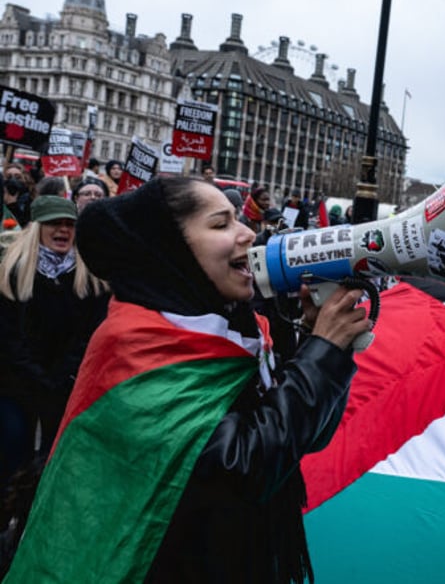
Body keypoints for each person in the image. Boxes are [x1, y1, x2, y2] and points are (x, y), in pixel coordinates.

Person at [3, 177, 370, 582]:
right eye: (221, 224)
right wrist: (322, 353)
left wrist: (317, 345)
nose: (248, 233)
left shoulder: (235, 330)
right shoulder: (135, 346)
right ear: (170, 249)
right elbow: (243, 467)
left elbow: (303, 437)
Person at [0, 196, 109, 478]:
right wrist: (37, 379)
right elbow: (8, 337)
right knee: (12, 452)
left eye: (69, 224)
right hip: (16, 385)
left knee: (55, 464)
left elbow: (91, 333)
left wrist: (63, 377)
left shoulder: (92, 277)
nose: (63, 230)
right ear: (38, 227)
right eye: (54, 223)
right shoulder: (11, 272)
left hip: (67, 388)